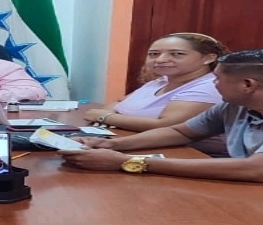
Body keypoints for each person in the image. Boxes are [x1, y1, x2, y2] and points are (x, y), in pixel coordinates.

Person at [59, 49, 263, 211]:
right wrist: (112, 145)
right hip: (256, 187)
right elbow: (183, 132)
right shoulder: (237, 103)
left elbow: (262, 170)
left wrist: (128, 162)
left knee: (175, 215)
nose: (213, 84)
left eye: (217, 79)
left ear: (247, 84)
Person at [82, 32, 231, 156]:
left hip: (193, 155)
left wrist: (105, 117)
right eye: (154, 54)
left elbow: (167, 126)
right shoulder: (161, 81)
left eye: (177, 54)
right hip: (141, 144)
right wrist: (109, 115)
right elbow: (118, 103)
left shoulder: (209, 86)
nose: (160, 60)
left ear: (208, 58)